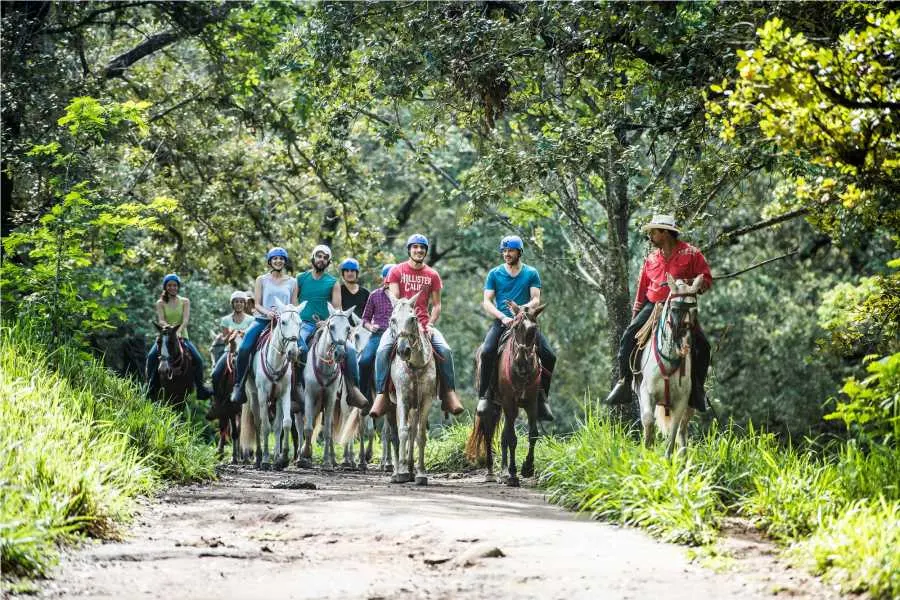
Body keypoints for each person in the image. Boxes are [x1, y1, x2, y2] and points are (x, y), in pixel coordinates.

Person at [604, 214, 712, 409]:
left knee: (703, 345)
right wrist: (636, 315)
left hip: (680, 306)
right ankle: (624, 383)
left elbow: (706, 279)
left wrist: (694, 285)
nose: (650, 236)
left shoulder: (692, 253)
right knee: (628, 337)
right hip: (653, 305)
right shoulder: (651, 259)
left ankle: (697, 390)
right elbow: (642, 289)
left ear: (665, 233)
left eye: (654, 232)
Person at [369, 233, 465, 417]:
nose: (419, 250)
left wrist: (429, 324)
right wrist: (404, 320)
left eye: (422, 248)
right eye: (415, 247)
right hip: (401, 326)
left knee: (445, 350)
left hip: (424, 325)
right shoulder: (396, 271)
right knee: (382, 351)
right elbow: (396, 301)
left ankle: (449, 393)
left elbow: (437, 305)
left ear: (426, 251)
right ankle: (381, 394)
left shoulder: (432, 275)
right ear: (409, 250)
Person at [476, 235, 556, 421]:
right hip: (503, 322)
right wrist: (503, 316)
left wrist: (522, 310)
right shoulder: (495, 274)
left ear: (519, 252)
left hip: (525, 322)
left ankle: (542, 398)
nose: (506, 254)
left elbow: (536, 298)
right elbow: (487, 301)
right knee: (487, 352)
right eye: (504, 251)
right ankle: (485, 396)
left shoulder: (531, 273)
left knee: (550, 355)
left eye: (510, 250)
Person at [296, 245, 368, 408]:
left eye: (325, 257)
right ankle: (297, 387)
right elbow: (294, 302)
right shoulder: (300, 278)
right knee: (299, 349)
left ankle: (353, 389)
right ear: (313, 258)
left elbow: (337, 309)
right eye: (318, 256)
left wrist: (327, 322)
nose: (321, 259)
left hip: (327, 325)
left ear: (328, 262)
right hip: (304, 323)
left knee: (349, 349)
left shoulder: (332, 282)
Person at [229, 247, 298, 404]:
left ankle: (296, 388)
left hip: (285, 323)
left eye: (281, 259)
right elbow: (257, 304)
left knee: (300, 349)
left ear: (284, 261)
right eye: (275, 259)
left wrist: (287, 315)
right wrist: (268, 313)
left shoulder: (292, 282)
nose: (278, 261)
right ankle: (239, 386)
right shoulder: (261, 279)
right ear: (270, 261)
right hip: (262, 320)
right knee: (245, 347)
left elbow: (293, 305)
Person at [146, 273, 212, 400]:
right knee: (151, 356)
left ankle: (201, 389)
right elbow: (161, 320)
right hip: (165, 336)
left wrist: (178, 332)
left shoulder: (185, 301)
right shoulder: (160, 303)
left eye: (175, 285)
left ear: (178, 287)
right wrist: (169, 330)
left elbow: (185, 320)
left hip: (182, 336)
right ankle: (150, 387)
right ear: (165, 287)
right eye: (169, 285)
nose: (172, 288)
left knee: (198, 359)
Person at [357, 264, 394, 404]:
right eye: (387, 277)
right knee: (364, 361)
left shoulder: (402, 295)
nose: (390, 281)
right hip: (378, 334)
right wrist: (370, 327)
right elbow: (365, 319)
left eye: (393, 278)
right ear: (383, 278)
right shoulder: (374, 295)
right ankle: (363, 395)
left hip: (397, 335)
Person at [210, 291, 253, 364]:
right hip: (229, 351)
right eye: (236, 302)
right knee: (216, 374)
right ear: (232, 304)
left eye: (241, 302)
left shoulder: (251, 319)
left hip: (246, 351)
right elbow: (225, 341)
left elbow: (252, 339)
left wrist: (244, 334)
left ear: (245, 304)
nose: (239, 304)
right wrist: (230, 334)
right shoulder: (225, 320)